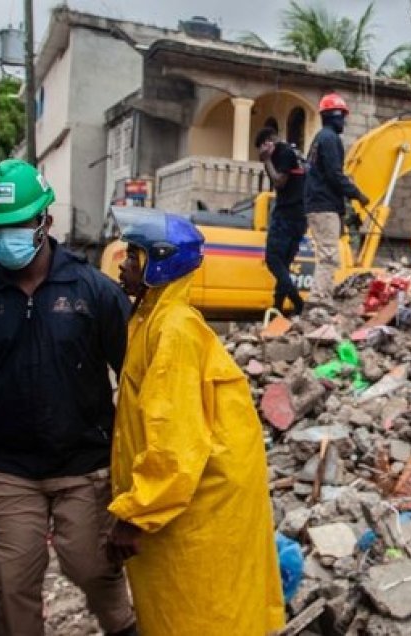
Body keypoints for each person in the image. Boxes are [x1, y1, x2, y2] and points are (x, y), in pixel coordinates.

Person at [106, 209, 285, 635]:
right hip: (191, 503)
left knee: (198, 613)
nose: (123, 263)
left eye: (134, 255)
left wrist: (136, 514)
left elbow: (174, 441)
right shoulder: (155, 320)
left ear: (159, 262)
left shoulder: (174, 331)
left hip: (195, 509)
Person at [0, 159, 136, 636]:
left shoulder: (92, 290)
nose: (3, 238)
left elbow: (136, 380)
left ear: (45, 221)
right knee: (12, 582)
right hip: (6, 469)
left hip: (83, 465)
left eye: (15, 226)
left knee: (93, 568)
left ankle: (126, 628)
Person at [303, 93, 369, 309]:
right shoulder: (331, 139)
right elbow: (334, 174)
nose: (345, 122)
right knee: (329, 255)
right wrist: (356, 194)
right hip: (324, 205)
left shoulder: (319, 139)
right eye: (343, 117)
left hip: (318, 204)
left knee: (327, 252)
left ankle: (322, 296)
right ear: (336, 116)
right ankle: (319, 299)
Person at [255, 124, 306, 315]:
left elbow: (279, 182)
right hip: (299, 216)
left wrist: (267, 161)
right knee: (283, 265)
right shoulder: (294, 153)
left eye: (260, 148)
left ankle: (297, 302)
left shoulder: (283, 154)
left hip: (286, 215)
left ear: (268, 143)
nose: (260, 153)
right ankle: (277, 307)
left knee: (273, 260)